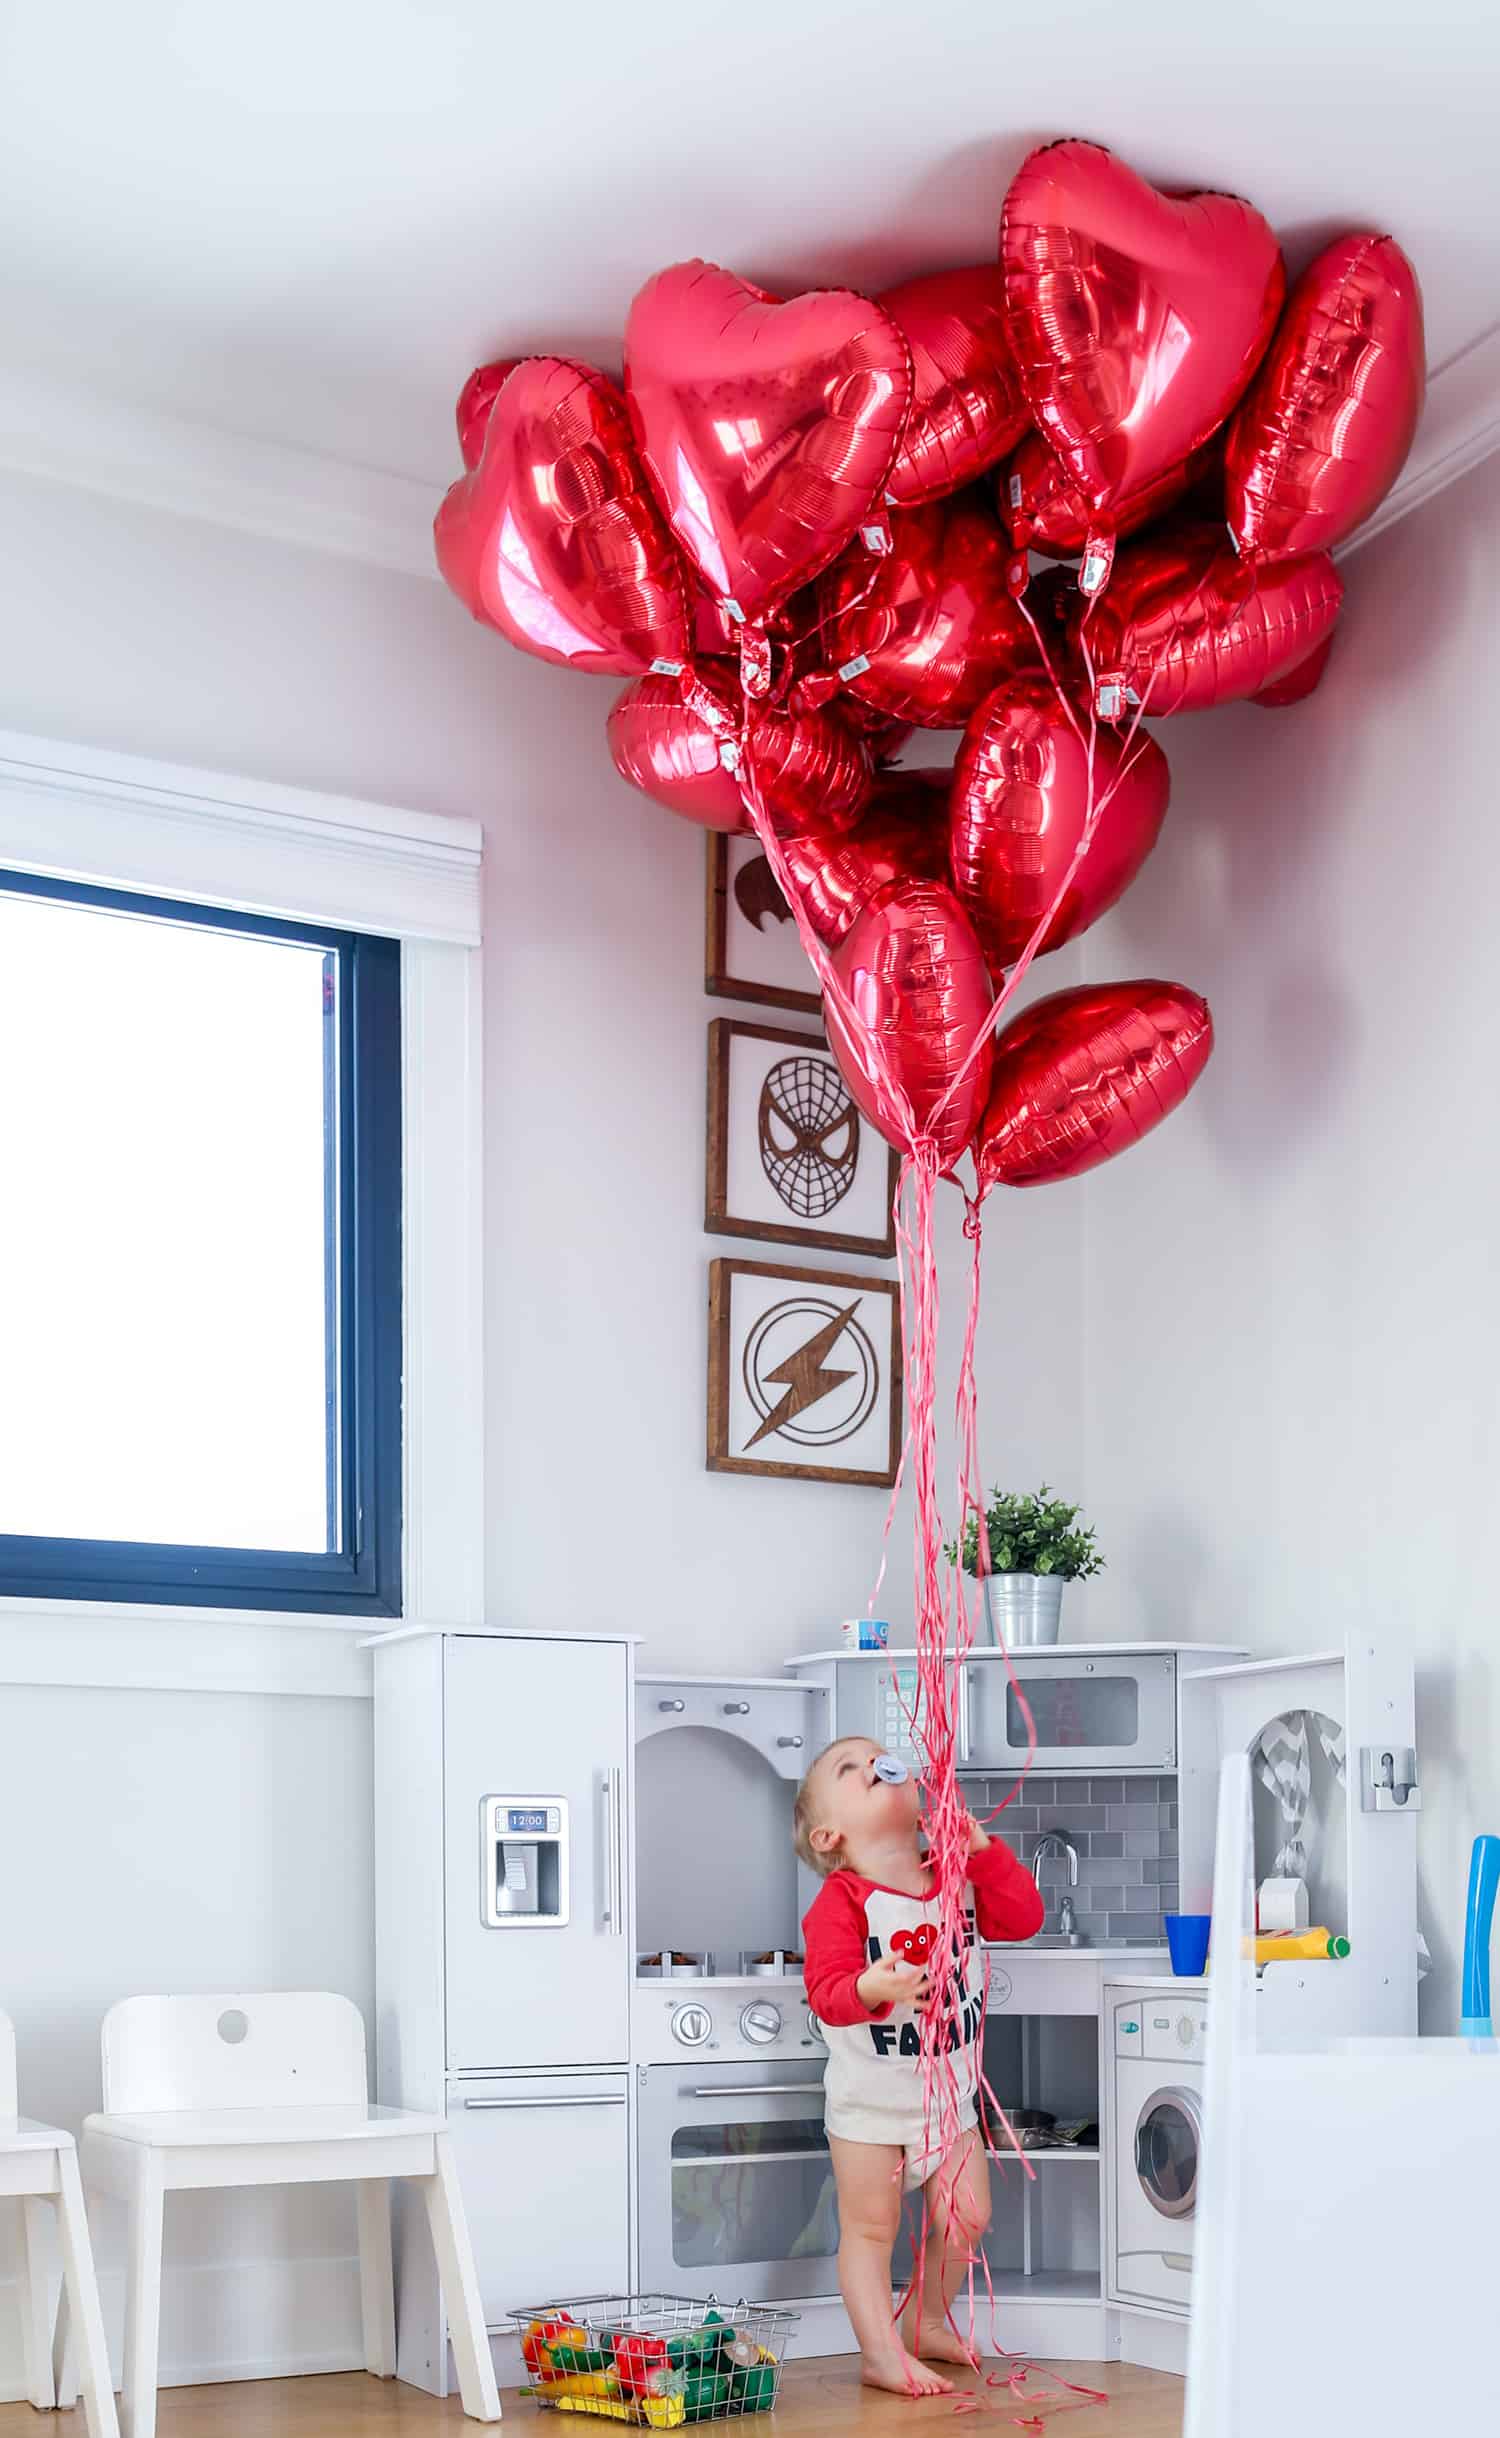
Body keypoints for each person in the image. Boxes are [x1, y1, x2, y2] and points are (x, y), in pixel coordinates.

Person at [795, 1734, 1044, 2397]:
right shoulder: (842, 1903)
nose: (874, 1764)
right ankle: (880, 2353)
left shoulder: (955, 1873)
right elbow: (827, 1993)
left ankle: (926, 2322)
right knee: (872, 2230)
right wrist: (872, 1989)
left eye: (878, 1756)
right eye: (851, 1768)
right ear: (829, 1836)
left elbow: (1024, 1920)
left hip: (947, 2101)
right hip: (871, 2105)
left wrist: (986, 1856)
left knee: (967, 2216)